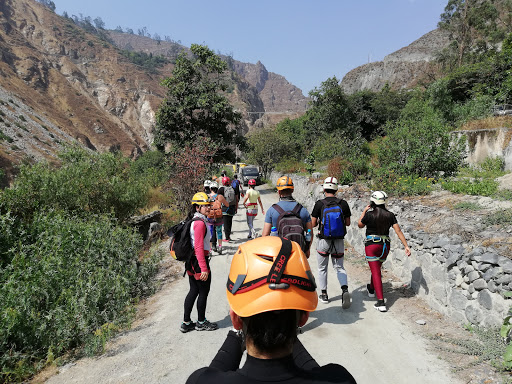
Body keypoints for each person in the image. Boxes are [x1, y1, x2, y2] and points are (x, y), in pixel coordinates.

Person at [186, 236, 357, 383]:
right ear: (304, 318)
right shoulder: (339, 378)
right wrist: (285, 326)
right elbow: (313, 370)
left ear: (235, 318)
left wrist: (237, 331)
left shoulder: (200, 380)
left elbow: (214, 372)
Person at [357, 190, 411, 312]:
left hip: (372, 245)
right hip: (385, 246)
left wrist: (364, 210)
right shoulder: (390, 215)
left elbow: (360, 225)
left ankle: (381, 302)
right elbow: (398, 231)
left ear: (373, 201)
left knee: (375, 271)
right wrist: (406, 246)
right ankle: (371, 288)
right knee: (376, 268)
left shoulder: (370, 214)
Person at [311, 177, 352, 308]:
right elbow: (348, 223)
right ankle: (344, 289)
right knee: (339, 267)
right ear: (336, 189)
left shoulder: (319, 204)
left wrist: (320, 222)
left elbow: (312, 224)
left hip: (324, 240)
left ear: (324, 188)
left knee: (322, 268)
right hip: (339, 240)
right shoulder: (343, 203)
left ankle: (324, 294)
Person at [181, 192, 218, 333]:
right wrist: (204, 268)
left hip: (192, 261)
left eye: (209, 205)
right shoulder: (199, 224)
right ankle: (201, 322)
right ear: (197, 207)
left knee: (194, 290)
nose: (208, 208)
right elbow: (198, 247)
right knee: (203, 291)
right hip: (198, 261)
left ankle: (186, 323)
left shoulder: (194, 220)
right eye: (205, 206)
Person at [262, 176, 313, 257]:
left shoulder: (272, 210)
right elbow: (310, 233)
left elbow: (265, 236)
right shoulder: (303, 210)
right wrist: (307, 250)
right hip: (298, 254)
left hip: (279, 255)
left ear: (279, 192)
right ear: (292, 190)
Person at [207, 181, 228, 255]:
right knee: (219, 232)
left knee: (210, 232)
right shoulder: (220, 197)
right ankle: (220, 247)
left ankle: (209, 250)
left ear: (210, 189)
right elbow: (227, 205)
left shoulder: (207, 196)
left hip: (210, 216)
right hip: (219, 216)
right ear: (217, 188)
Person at [219, 176, 236, 242]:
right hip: (232, 208)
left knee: (225, 223)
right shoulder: (232, 189)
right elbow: (236, 199)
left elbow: (218, 198)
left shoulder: (221, 189)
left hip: (225, 208)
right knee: (229, 222)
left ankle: (227, 238)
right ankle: (228, 236)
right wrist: (236, 207)